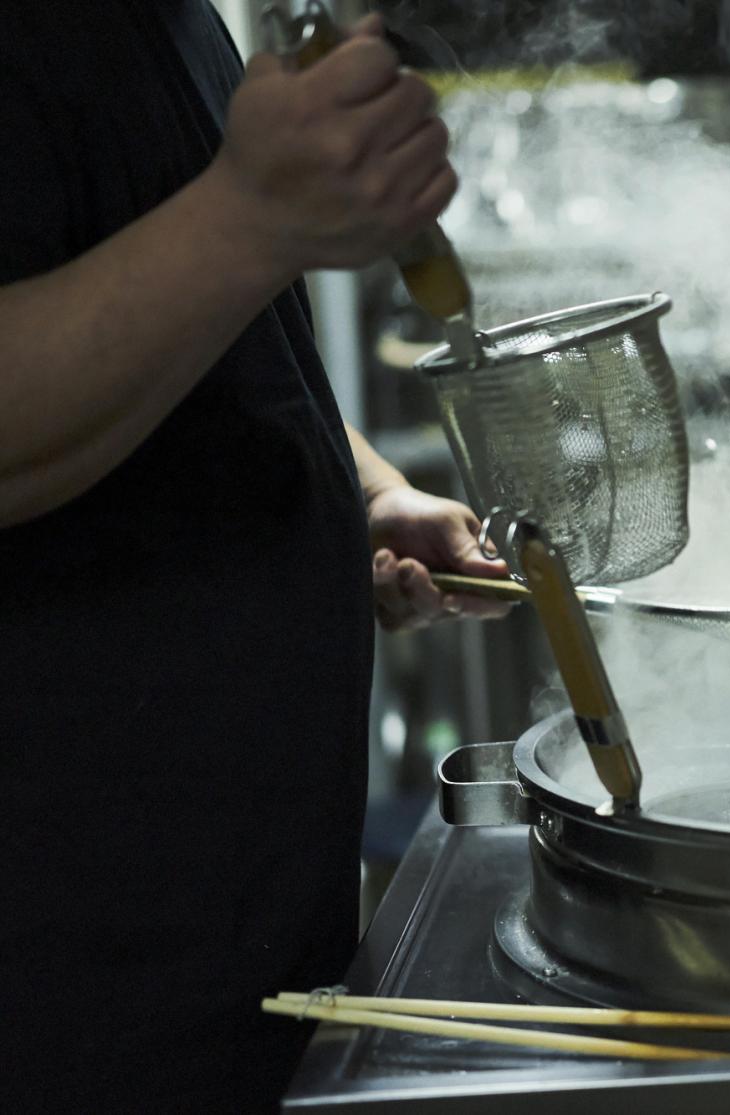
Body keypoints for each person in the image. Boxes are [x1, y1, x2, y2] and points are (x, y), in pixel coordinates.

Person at [0, 3, 510, 1109]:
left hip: (236, 939)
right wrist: (249, 216)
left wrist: (355, 487)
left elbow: (192, 332)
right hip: (64, 994)